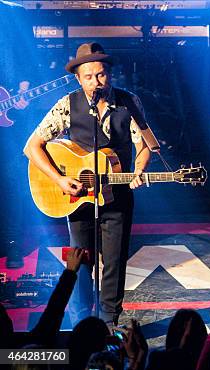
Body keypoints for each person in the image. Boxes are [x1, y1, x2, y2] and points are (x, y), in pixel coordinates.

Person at [24, 42, 152, 327]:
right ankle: (80, 321)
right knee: (80, 261)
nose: (97, 82)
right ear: (79, 78)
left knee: (115, 262)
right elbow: (32, 147)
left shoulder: (129, 102)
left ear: (110, 74)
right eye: (90, 77)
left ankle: (108, 323)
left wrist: (140, 169)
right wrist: (59, 179)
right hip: (79, 197)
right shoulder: (67, 105)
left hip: (117, 194)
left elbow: (144, 145)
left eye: (102, 74)